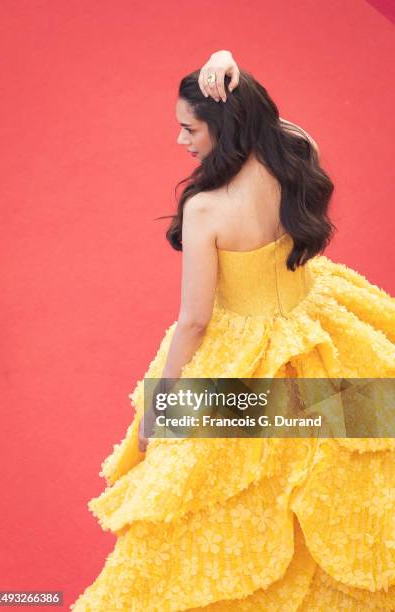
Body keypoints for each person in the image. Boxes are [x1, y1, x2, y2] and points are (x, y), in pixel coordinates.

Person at [70, 50, 395, 610]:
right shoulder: (296, 156)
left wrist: (160, 407)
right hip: (319, 334)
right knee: (336, 461)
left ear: (221, 127)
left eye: (189, 127)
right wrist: (231, 69)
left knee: (211, 489)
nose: (180, 140)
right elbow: (282, 127)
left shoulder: (205, 208)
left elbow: (194, 320)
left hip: (243, 362)